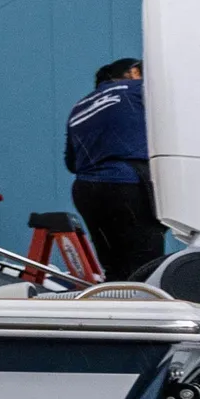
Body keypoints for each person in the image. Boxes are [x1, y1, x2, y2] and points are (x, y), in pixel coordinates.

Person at [64, 56, 163, 282]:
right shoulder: (139, 89)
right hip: (127, 185)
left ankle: (114, 310)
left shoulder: (79, 106)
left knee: (115, 269)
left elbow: (71, 163)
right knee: (146, 267)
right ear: (133, 72)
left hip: (87, 191)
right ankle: (145, 311)